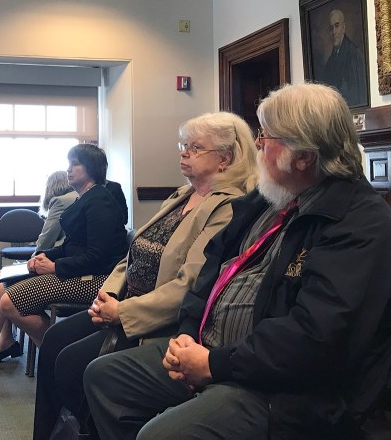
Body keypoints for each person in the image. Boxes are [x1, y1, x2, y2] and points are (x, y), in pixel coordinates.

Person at [83, 83, 391, 439]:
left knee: (160, 435)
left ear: (302, 155)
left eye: (267, 135)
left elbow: (313, 340)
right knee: (105, 378)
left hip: (290, 391)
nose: (257, 143)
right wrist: (185, 335)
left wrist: (212, 365)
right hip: (216, 352)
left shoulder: (363, 226)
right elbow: (210, 272)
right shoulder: (270, 199)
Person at [34, 112, 258, 439]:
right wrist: (109, 293)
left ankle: (82, 431)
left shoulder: (227, 205)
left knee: (73, 364)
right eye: (184, 145)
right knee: (54, 340)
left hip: (154, 319)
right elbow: (135, 250)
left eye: (195, 148)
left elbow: (190, 283)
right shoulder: (181, 195)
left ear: (224, 159)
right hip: (124, 301)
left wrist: (122, 312)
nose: (183, 152)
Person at [0, 144, 128, 371]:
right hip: (80, 271)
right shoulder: (86, 197)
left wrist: (55, 267)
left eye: (75, 164)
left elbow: (97, 257)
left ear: (91, 168)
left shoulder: (100, 200)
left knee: (9, 300)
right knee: (2, 279)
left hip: (98, 280)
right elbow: (71, 246)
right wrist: (43, 256)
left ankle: (60, 353)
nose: (68, 169)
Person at [319, 9, 367, 106]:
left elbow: (356, 95)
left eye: (337, 26)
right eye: (331, 28)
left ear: (344, 28)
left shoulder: (354, 54)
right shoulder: (331, 60)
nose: (333, 32)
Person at [35, 170, 78, 253]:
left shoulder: (60, 201)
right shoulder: (80, 195)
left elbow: (48, 236)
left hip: (68, 252)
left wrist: (34, 257)